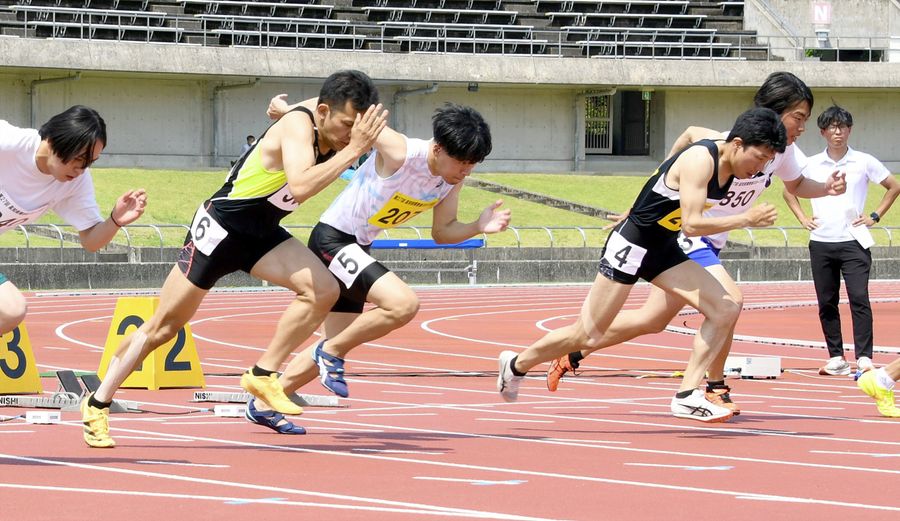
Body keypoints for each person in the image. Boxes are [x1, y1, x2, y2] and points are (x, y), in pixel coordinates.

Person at [80, 70, 387, 447]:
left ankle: (263, 374)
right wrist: (353, 149)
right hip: (220, 229)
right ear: (323, 111)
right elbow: (300, 185)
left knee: (323, 290)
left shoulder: (330, 118)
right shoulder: (300, 126)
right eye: (346, 127)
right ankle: (97, 404)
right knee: (163, 328)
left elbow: (323, 115)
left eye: (358, 128)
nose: (351, 135)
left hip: (261, 231)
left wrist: (289, 111)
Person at [544, 72, 846, 415]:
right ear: (775, 110)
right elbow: (689, 135)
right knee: (729, 302)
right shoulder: (729, 142)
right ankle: (713, 388)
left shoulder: (782, 151)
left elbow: (798, 184)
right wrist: (646, 199)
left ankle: (573, 351)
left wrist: (826, 188)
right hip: (688, 236)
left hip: (713, 241)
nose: (802, 127)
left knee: (651, 320)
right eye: (798, 118)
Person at [497, 107, 787, 423]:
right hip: (632, 244)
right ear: (738, 144)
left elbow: (690, 130)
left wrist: (657, 180)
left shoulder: (729, 152)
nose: (760, 168)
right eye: (759, 158)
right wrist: (745, 218)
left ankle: (687, 395)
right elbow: (691, 224)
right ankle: (516, 365)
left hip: (664, 248)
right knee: (587, 334)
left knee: (726, 307)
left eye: (768, 161)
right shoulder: (700, 160)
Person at [244, 102, 510, 434]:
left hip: (358, 247)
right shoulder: (401, 151)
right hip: (333, 240)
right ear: (438, 149)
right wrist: (289, 112)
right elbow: (352, 115)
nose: (466, 171)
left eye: (473, 164)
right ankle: (329, 352)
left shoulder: (449, 180)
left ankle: (263, 403)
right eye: (462, 163)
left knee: (338, 340)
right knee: (403, 304)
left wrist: (478, 227)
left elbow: (442, 232)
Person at [0, 106, 147, 335]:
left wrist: (115, 221)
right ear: (53, 140)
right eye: (79, 158)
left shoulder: (74, 183)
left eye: (89, 162)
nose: (81, 169)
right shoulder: (9, 143)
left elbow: (91, 241)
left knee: (11, 310)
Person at [783, 105, 900, 377]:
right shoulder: (810, 163)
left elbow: (894, 186)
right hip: (821, 241)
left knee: (859, 298)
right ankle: (836, 357)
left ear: (850, 130)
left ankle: (864, 357)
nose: (838, 132)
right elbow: (789, 191)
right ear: (822, 132)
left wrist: (874, 216)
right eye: (832, 127)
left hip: (853, 241)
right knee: (827, 301)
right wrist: (802, 218)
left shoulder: (863, 161)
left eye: (843, 127)